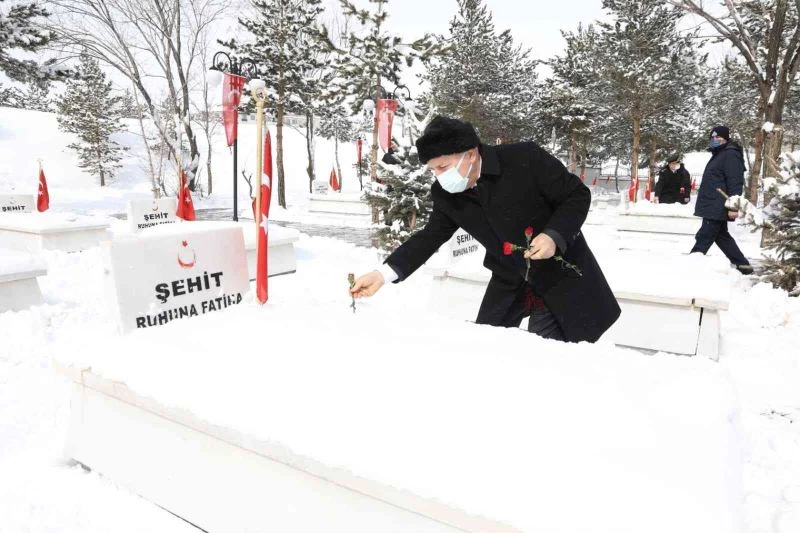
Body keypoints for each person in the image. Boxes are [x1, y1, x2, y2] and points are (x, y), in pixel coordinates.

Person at [350, 116, 620, 343]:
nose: (439, 176)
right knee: (486, 345)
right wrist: (383, 274)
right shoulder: (446, 194)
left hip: (560, 276)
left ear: (470, 154)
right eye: (433, 170)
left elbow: (576, 195)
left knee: (546, 355)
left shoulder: (525, 159)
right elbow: (430, 236)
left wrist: (553, 235)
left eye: (443, 167)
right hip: (509, 280)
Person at [690, 125, 753, 274]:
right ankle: (744, 267)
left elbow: (735, 181)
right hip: (713, 203)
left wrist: (734, 206)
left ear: (725, 138)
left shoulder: (730, 154)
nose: (715, 140)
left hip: (719, 204)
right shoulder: (720, 154)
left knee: (704, 236)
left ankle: (691, 265)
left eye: (718, 137)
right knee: (721, 237)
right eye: (712, 137)